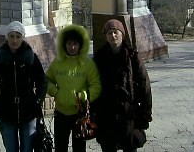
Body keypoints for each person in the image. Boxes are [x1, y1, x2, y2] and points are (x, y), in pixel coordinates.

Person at [0, 21, 48, 152]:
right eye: (12, 36)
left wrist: (37, 102)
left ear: (23, 37)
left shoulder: (30, 57)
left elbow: (42, 82)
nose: (15, 40)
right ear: (7, 37)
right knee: (11, 148)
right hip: (7, 112)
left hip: (28, 113)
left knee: (27, 149)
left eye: (18, 36)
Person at [93, 19, 152, 152]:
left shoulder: (132, 57)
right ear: (106, 36)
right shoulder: (100, 57)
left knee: (129, 147)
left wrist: (145, 113)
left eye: (116, 32)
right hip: (106, 114)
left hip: (128, 113)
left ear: (122, 34)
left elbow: (145, 86)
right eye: (109, 33)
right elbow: (93, 83)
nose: (113, 36)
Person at [46, 24, 102, 152]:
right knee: (60, 147)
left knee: (79, 148)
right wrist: (55, 92)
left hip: (79, 114)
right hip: (60, 113)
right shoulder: (57, 62)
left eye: (75, 44)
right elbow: (47, 80)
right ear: (64, 45)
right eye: (69, 43)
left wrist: (85, 95)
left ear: (81, 45)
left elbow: (96, 85)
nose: (72, 47)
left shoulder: (88, 64)